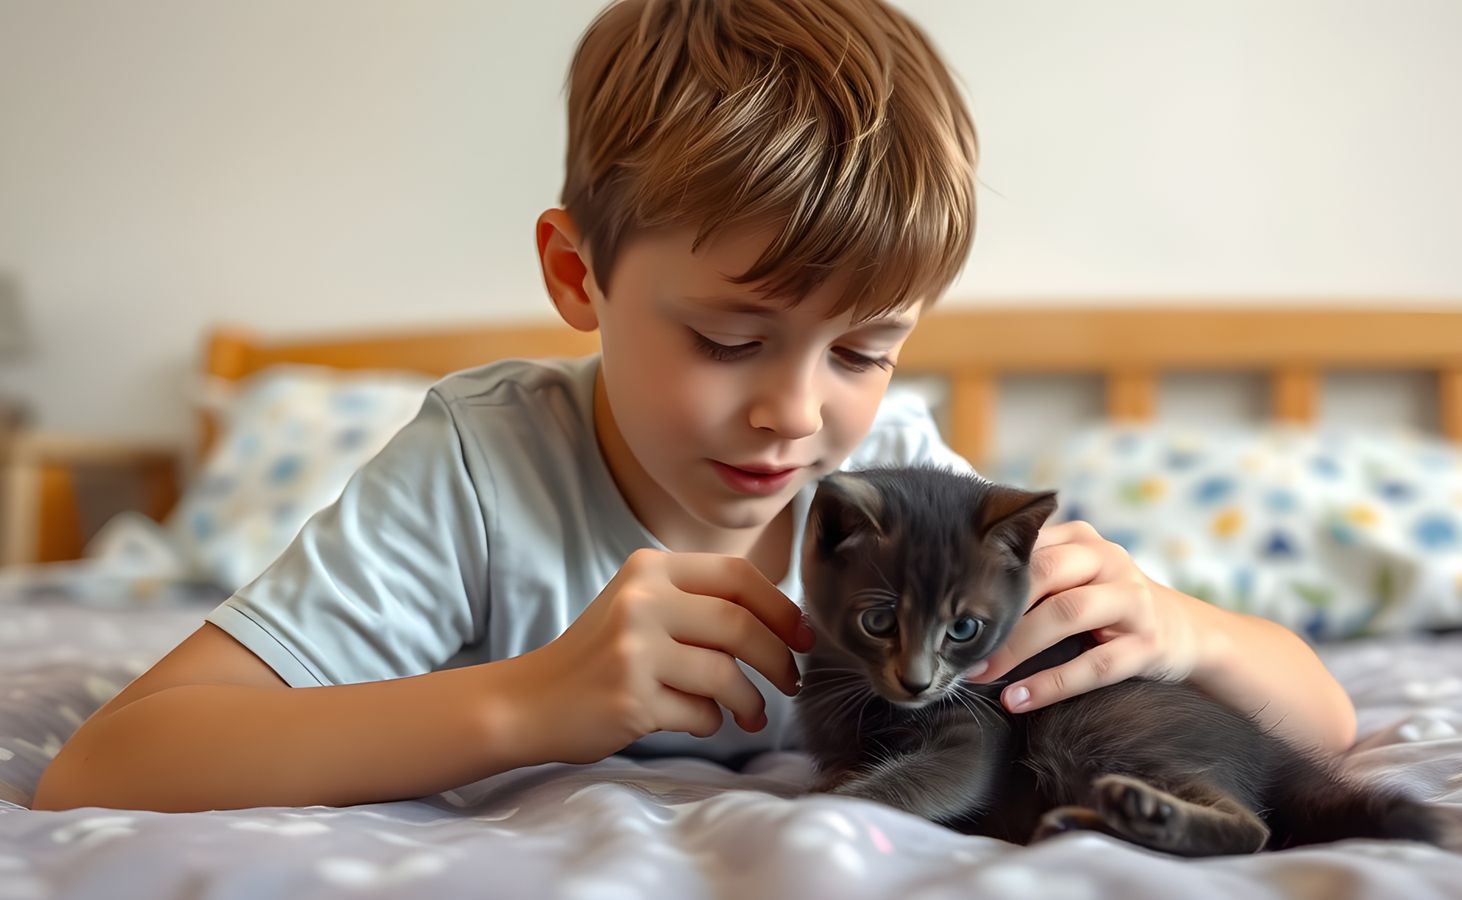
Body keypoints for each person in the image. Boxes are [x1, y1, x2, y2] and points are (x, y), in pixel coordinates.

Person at [34, 0, 1354, 814]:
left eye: (865, 349)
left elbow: (1321, 726)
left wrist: (1184, 630)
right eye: (731, 336)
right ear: (577, 275)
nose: (796, 413)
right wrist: (530, 706)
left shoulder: (900, 486)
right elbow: (109, 766)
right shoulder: (479, 470)